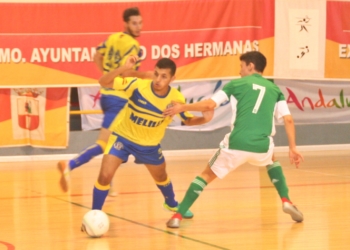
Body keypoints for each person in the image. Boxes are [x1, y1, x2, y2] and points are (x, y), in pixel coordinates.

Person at [163, 51, 305, 228]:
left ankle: (177, 215)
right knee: (272, 160)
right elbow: (288, 119)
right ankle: (286, 200)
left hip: (237, 144)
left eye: (241, 66)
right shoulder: (275, 89)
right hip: (262, 146)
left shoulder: (236, 84)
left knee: (205, 175)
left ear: (250, 66)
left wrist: (182, 107)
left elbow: (209, 105)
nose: (240, 71)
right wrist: (293, 148)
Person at [87, 55, 213, 220]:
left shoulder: (175, 99)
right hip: (122, 138)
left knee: (161, 176)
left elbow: (188, 120)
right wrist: (124, 68)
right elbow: (103, 81)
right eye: (156, 74)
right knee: (104, 176)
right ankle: (94, 214)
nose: (158, 80)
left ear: (172, 79)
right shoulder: (137, 85)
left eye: (164, 76)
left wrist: (205, 119)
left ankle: (171, 203)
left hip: (149, 145)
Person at [57, 7, 151, 196]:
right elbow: (126, 72)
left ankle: (107, 182)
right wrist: (145, 75)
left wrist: (107, 76)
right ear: (125, 23)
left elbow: (97, 56)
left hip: (108, 95)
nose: (138, 26)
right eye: (134, 23)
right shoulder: (133, 45)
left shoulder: (112, 38)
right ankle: (70, 164)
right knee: (104, 143)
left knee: (117, 142)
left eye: (140, 22)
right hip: (118, 99)